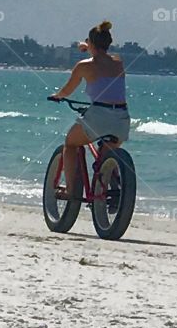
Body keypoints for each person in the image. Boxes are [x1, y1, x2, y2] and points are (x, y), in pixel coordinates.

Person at [49, 19, 129, 198]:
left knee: (70, 144)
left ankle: (70, 190)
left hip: (99, 116)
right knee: (106, 153)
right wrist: (89, 46)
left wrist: (57, 96)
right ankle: (112, 183)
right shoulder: (118, 62)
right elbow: (104, 56)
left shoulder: (84, 66)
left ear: (91, 43)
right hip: (122, 119)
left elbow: (67, 90)